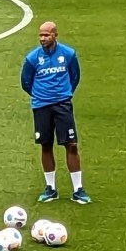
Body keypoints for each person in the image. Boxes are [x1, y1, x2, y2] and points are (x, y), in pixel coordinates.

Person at [20, 21, 90, 205]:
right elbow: (25, 82)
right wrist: (41, 96)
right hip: (41, 106)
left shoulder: (68, 54)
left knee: (71, 145)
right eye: (41, 35)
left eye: (46, 35)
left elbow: (75, 76)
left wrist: (64, 94)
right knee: (45, 145)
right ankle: (50, 188)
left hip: (62, 105)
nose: (43, 38)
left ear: (55, 35)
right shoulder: (33, 58)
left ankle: (78, 189)